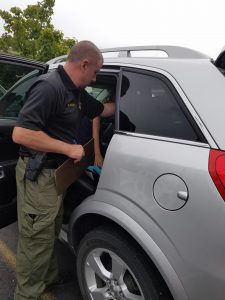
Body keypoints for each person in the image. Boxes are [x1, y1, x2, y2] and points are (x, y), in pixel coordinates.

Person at [12, 40, 115, 300]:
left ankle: (48, 277)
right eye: (95, 72)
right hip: (39, 176)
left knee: (49, 230)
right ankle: (27, 294)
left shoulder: (76, 91)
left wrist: (136, 101)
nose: (95, 78)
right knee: (36, 239)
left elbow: (102, 110)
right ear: (84, 64)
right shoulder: (50, 87)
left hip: (56, 177)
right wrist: (69, 149)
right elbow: (21, 133)